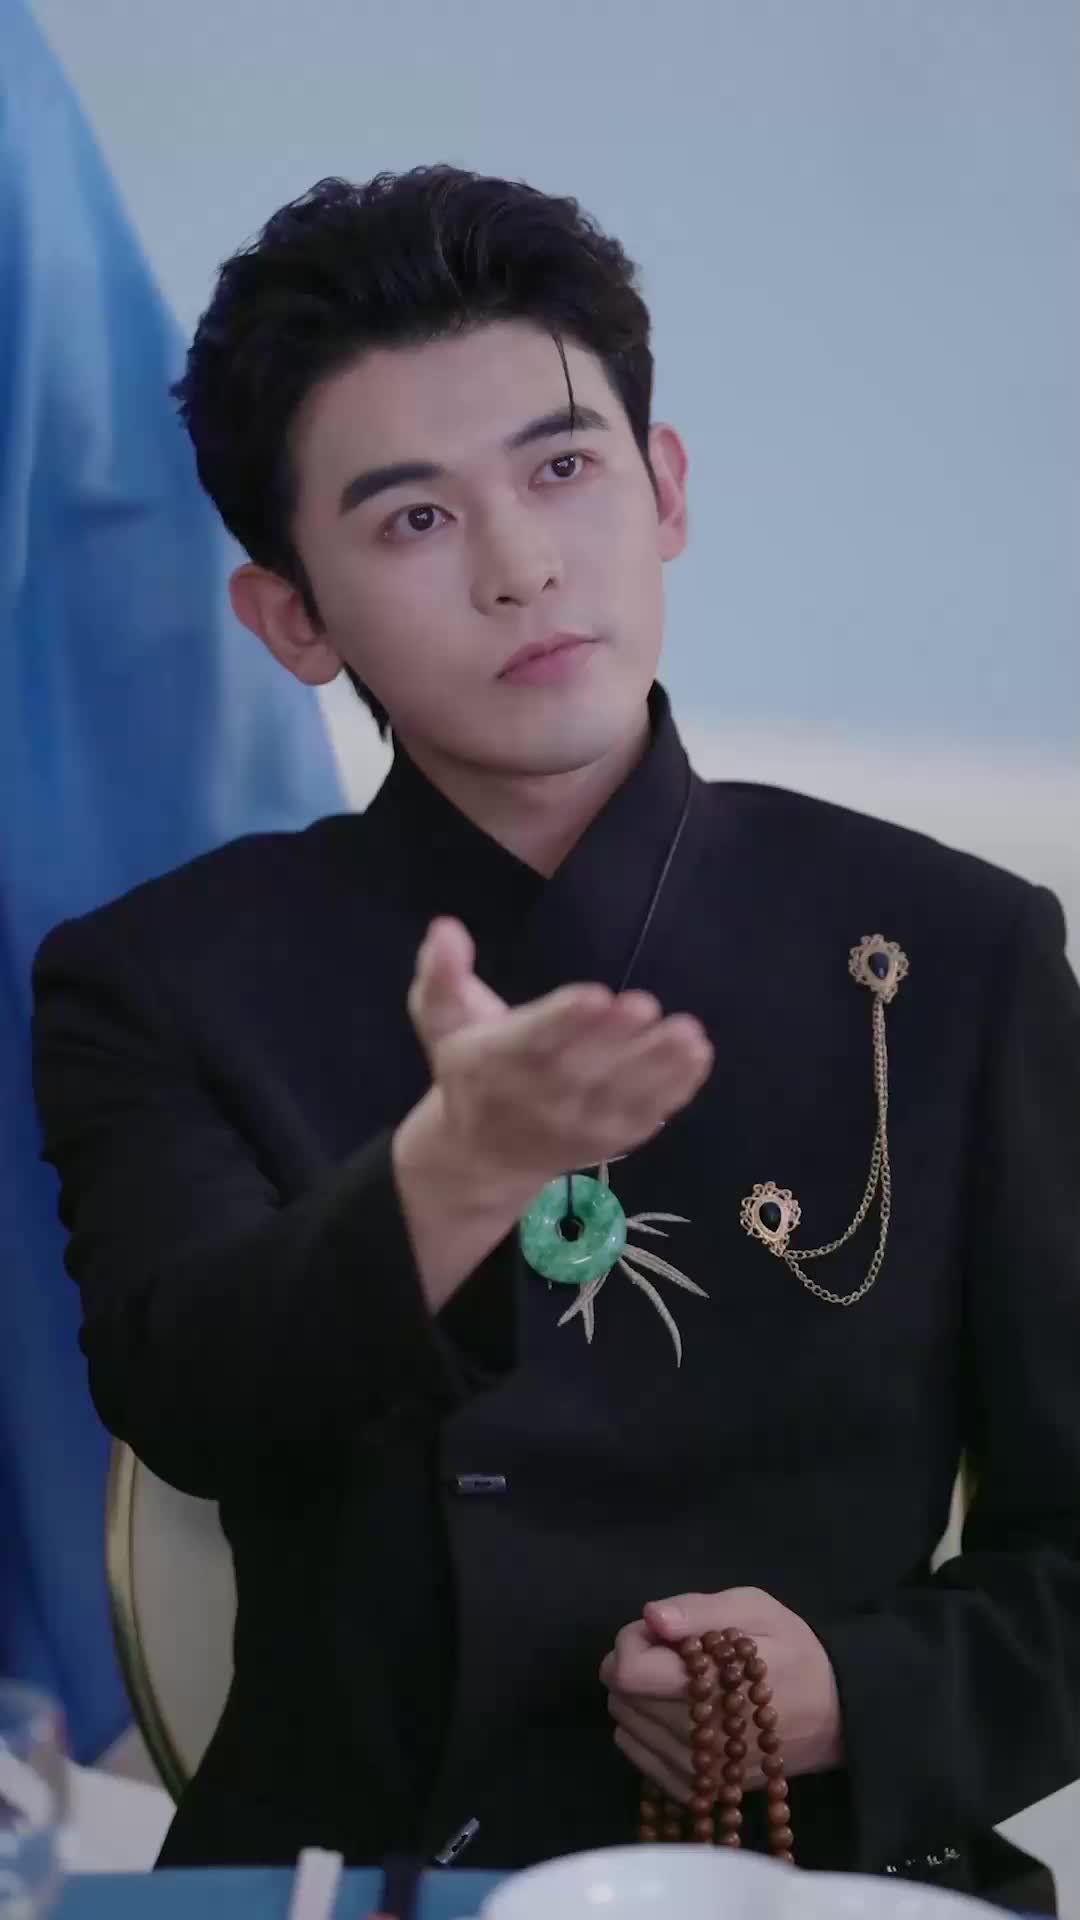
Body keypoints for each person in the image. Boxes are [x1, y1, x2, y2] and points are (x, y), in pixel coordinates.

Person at [31, 167, 1080, 1880]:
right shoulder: (156, 975)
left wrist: (857, 1694)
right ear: (294, 619)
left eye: (562, 469)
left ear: (665, 490)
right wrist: (455, 1172)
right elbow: (191, 1395)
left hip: (819, 1887)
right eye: (413, 519)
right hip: (355, 1881)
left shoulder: (956, 948)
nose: (521, 566)